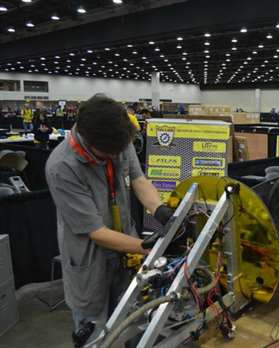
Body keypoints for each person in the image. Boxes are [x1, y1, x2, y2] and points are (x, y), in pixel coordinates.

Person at [45, 95, 174, 347]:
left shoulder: (117, 138)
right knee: (95, 333)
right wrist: (145, 246)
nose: (117, 155)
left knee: (133, 319)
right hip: (91, 259)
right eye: (109, 153)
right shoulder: (62, 167)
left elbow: (138, 179)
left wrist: (159, 210)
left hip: (126, 250)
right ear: (88, 140)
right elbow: (95, 231)